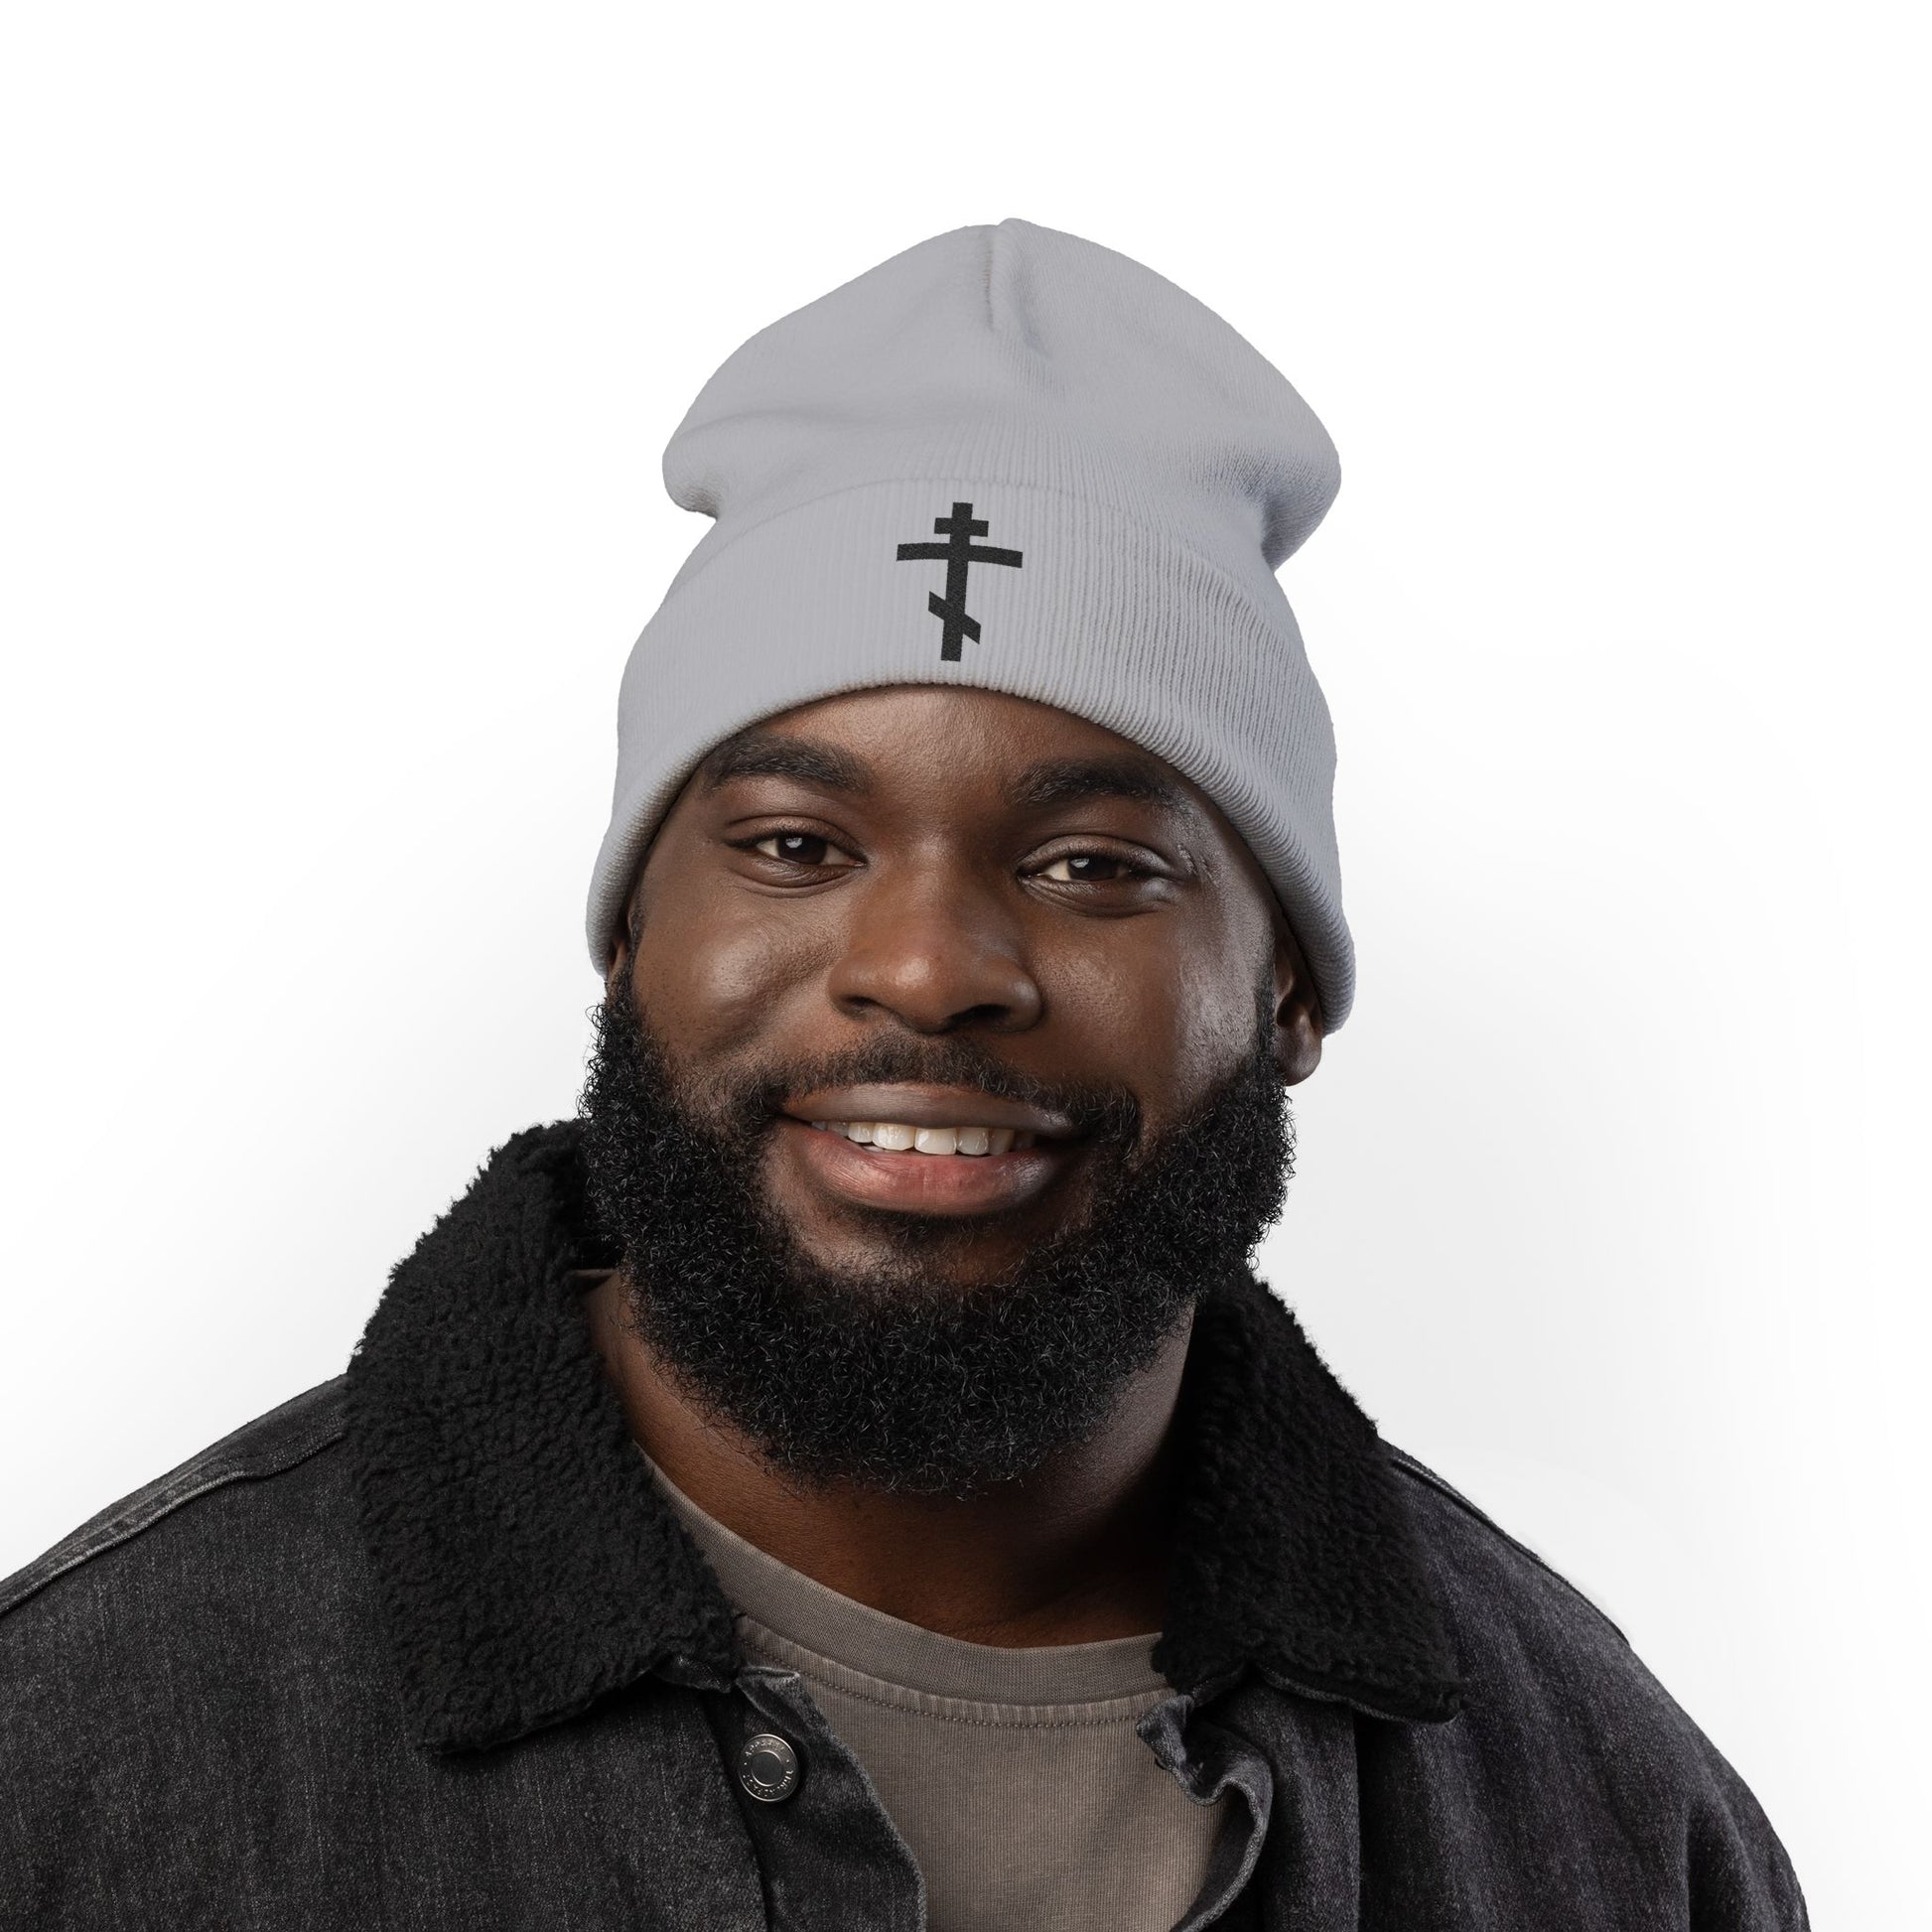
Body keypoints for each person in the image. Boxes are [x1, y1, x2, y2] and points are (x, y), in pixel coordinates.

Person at [0, 219, 1807, 1930]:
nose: (928, 969)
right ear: (631, 933)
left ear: (1286, 997)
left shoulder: (1600, 1813)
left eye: (1095, 863)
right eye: (794, 843)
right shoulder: (79, 1758)